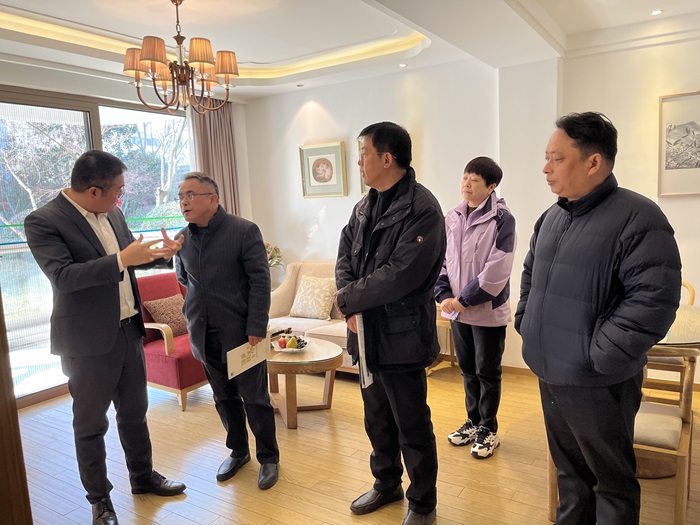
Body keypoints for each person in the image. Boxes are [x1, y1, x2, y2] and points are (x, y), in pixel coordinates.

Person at [515, 112, 682, 524]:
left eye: (556, 158)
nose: (546, 168)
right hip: (550, 371)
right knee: (570, 475)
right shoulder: (552, 217)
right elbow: (530, 275)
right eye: (546, 157)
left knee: (611, 483)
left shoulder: (639, 217)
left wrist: (599, 355)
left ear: (593, 162)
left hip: (599, 381)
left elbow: (654, 299)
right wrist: (526, 322)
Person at [24, 150, 187, 525]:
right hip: (87, 341)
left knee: (135, 414)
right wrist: (122, 260)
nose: (121, 197)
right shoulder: (44, 221)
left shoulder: (113, 213)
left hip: (129, 330)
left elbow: (130, 260)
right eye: (119, 190)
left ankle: (142, 477)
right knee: (91, 425)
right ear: (94, 190)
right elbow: (64, 277)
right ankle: (100, 500)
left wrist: (162, 256)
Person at [334, 122, 446, 525]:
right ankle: (386, 483)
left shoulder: (423, 208)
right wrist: (349, 303)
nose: (358, 161)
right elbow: (344, 256)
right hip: (365, 334)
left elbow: (401, 274)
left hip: (403, 335)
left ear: (386, 158)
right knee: (376, 418)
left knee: (411, 423)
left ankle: (423, 503)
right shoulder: (363, 206)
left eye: (363, 153)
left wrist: (349, 299)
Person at [174, 172, 280, 490]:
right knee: (223, 398)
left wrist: (256, 326)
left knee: (256, 399)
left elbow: (260, 281)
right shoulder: (182, 239)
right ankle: (238, 451)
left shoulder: (244, 230)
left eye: (190, 195)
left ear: (213, 198)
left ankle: (269, 458)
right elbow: (183, 279)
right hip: (203, 333)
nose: (184, 202)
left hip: (242, 334)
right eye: (180, 197)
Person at [434, 156, 516, 459]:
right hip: (457, 310)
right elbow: (442, 259)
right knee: (468, 370)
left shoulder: (502, 219)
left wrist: (464, 300)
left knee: (487, 372)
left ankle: (488, 429)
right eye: (465, 177)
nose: (467, 184)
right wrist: (444, 295)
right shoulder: (452, 216)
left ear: (491, 186)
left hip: (487, 312)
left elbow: (497, 269)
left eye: (475, 180)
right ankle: (473, 421)